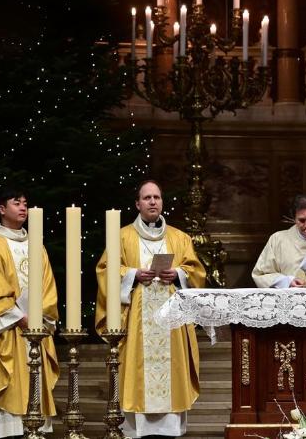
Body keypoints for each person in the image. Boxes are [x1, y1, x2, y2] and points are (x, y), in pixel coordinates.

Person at [95, 180, 206, 439]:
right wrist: (133, 275)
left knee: (172, 374)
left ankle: (169, 431)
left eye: (157, 197)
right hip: (137, 320)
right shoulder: (122, 236)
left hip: (171, 320)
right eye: (147, 198)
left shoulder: (180, 238)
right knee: (137, 372)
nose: (153, 202)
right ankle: (137, 431)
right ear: (138, 204)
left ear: (162, 202)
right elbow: (105, 270)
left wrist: (177, 274)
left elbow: (196, 273)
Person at [0, 189, 59, 439]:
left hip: (34, 330)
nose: (23, 207)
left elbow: (48, 286)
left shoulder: (37, 247)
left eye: (25, 203)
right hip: (5, 330)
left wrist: (38, 316)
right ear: (2, 209)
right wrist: (20, 317)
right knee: (5, 389)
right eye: (16, 203)